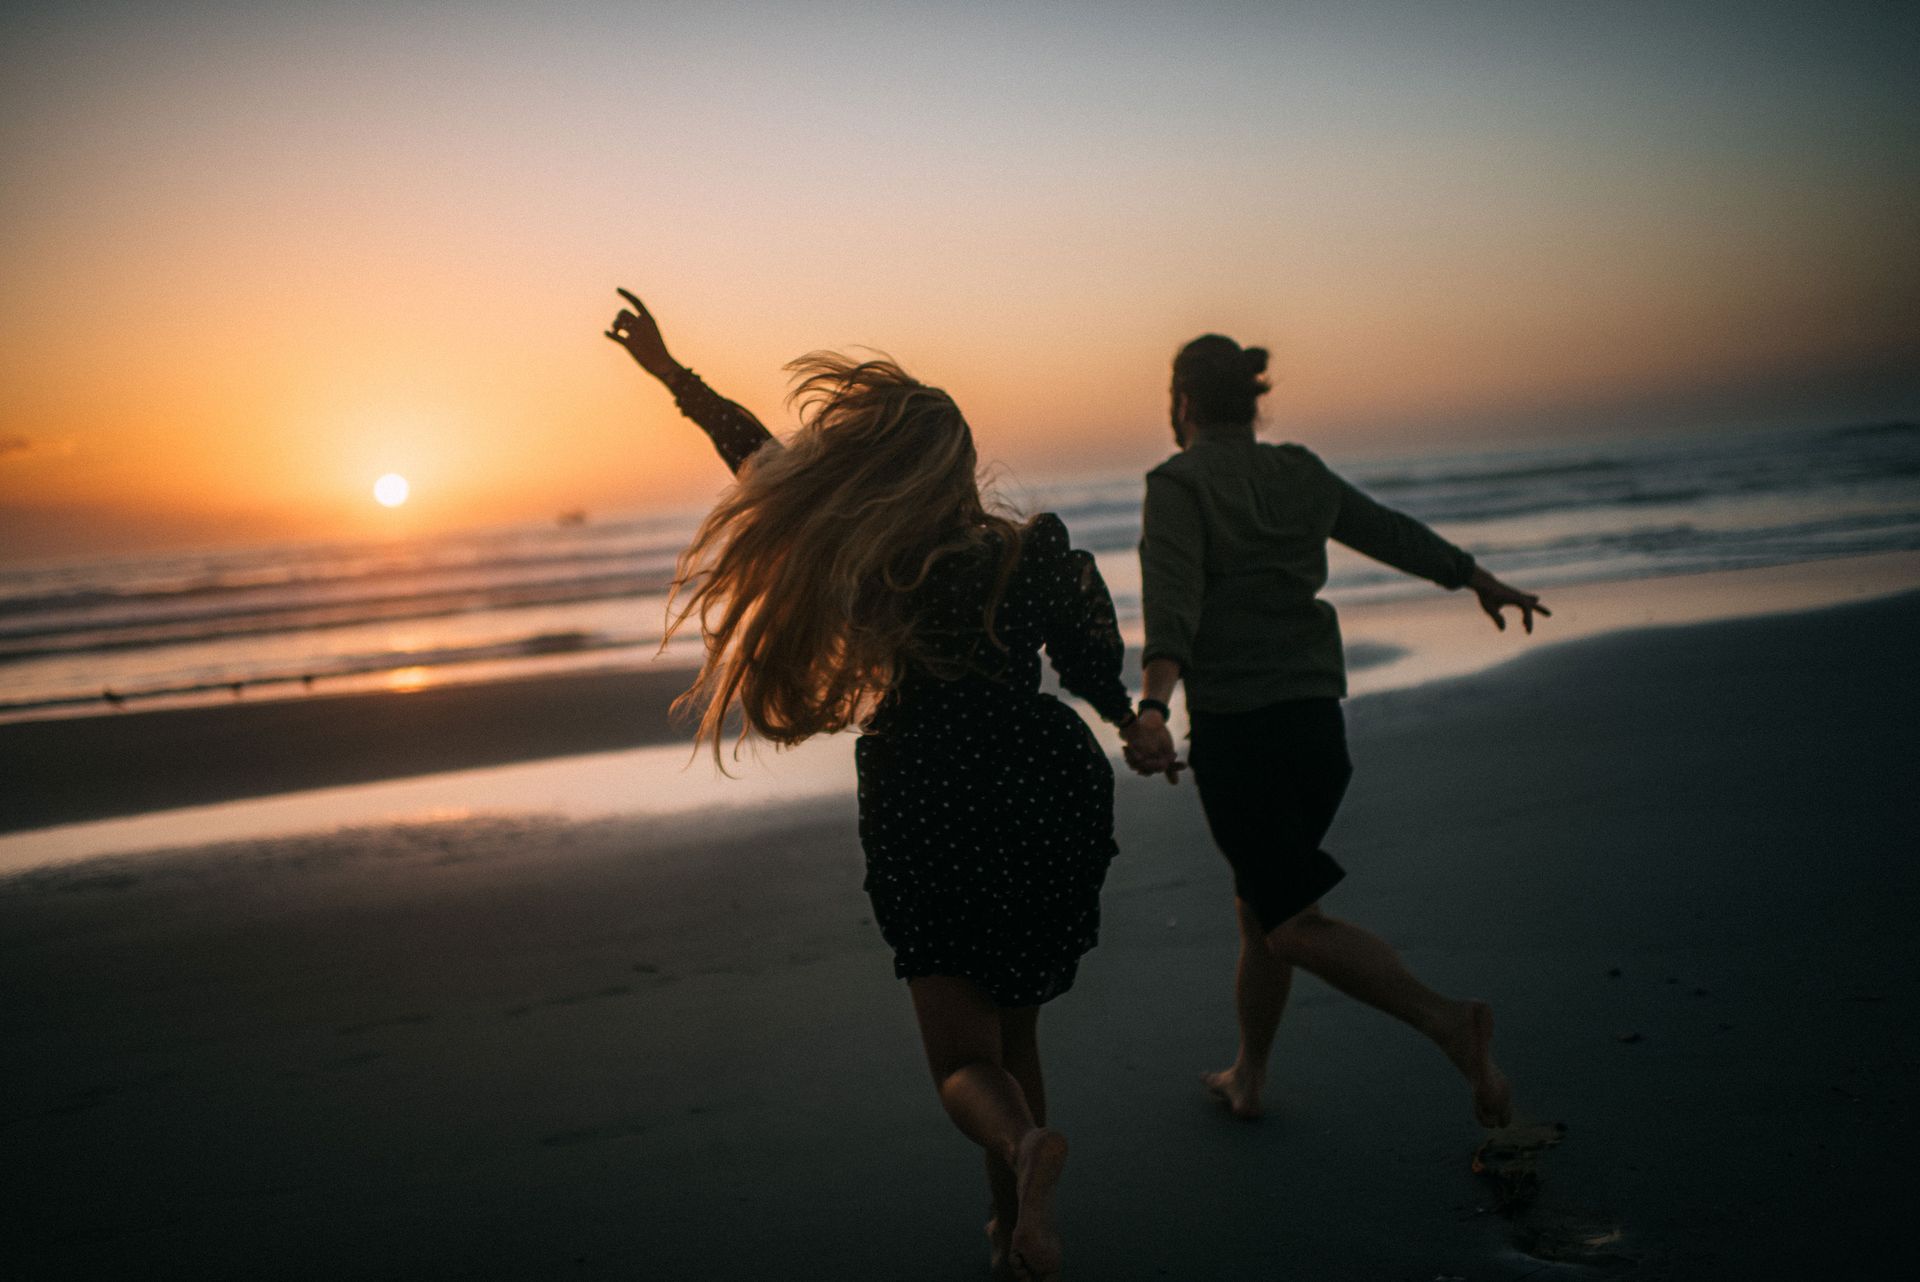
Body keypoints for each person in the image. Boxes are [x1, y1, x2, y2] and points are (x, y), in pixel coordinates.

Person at [606, 289, 1151, 1281]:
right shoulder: (1034, 550)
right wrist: (1133, 722)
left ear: (875, 467)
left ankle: (1026, 1154)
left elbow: (756, 455)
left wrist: (671, 375)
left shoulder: (874, 559)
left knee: (960, 1060)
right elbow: (1089, 660)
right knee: (1015, 1028)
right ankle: (1015, 1233)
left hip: (928, 783)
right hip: (1043, 779)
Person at [1123, 333, 1548, 1127]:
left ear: (1181, 403)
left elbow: (1172, 603)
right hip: (1319, 728)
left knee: (1288, 922)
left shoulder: (1176, 483)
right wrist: (1475, 577)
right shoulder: (1301, 472)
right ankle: (1248, 1078)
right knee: (1263, 908)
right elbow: (1388, 531)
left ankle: (1451, 1025)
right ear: (1250, 402)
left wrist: (1152, 707)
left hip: (1243, 735)